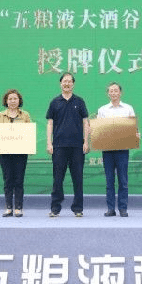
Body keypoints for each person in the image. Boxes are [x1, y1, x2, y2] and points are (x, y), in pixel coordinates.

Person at [46, 72, 90, 217]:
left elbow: (85, 122)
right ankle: (55, 208)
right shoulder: (55, 102)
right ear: (61, 84)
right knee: (58, 179)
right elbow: (50, 123)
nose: (67, 84)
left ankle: (78, 208)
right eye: (64, 81)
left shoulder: (79, 101)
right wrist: (49, 143)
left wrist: (86, 141)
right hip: (59, 146)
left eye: (69, 81)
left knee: (78, 178)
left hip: (77, 146)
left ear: (73, 84)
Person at [97, 82, 139, 217]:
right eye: (111, 91)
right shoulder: (102, 110)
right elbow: (98, 130)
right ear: (108, 93)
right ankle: (110, 209)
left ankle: (123, 208)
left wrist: (136, 135)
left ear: (120, 93)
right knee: (109, 181)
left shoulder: (128, 108)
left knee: (123, 180)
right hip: (107, 150)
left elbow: (134, 128)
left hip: (122, 150)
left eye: (116, 90)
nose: (114, 93)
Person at [0, 89, 31, 217]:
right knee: (8, 180)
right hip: (5, 154)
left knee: (19, 180)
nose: (13, 101)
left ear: (19, 100)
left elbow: (29, 134)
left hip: (21, 154)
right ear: (6, 101)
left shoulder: (25, 115)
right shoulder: (0, 116)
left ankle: (19, 208)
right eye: (10, 99)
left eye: (15, 98)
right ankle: (9, 207)